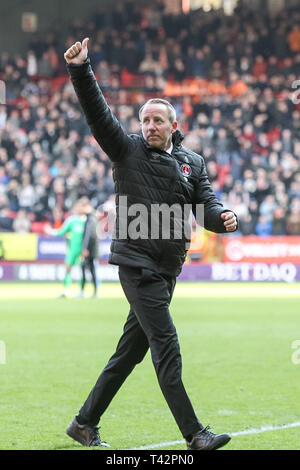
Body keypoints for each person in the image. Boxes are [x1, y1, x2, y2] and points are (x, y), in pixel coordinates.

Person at [64, 38, 238, 451]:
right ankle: (196, 435)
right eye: (145, 120)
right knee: (166, 348)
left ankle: (84, 423)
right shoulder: (125, 151)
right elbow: (98, 114)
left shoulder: (192, 163)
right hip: (137, 265)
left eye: (158, 120)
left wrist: (223, 219)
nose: (150, 126)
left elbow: (207, 207)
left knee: (128, 355)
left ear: (174, 126)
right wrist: (80, 70)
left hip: (167, 269)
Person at [46, 199, 87, 298]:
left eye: (80, 207)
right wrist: (51, 231)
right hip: (72, 250)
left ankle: (82, 291)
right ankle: (66, 290)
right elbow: (61, 232)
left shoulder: (87, 220)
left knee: (82, 270)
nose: (77, 209)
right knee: (68, 269)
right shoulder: (71, 220)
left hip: (82, 250)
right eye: (76, 207)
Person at [76, 197, 100, 298]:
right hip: (92, 249)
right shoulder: (93, 216)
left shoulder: (91, 218)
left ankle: (90, 292)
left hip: (90, 250)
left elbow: (89, 235)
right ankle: (92, 292)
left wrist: (85, 249)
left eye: (80, 207)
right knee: (90, 269)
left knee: (90, 269)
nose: (78, 209)